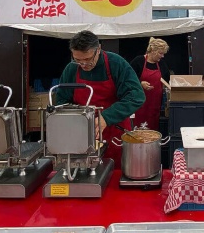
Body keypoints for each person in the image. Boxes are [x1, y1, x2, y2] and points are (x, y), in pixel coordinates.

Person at [56, 30, 145, 164]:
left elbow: (136, 96)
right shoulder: (71, 69)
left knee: (115, 172)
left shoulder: (116, 64)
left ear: (98, 50)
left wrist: (106, 117)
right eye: (78, 60)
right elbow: (61, 101)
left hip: (115, 132)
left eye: (87, 59)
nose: (83, 65)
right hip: (81, 133)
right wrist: (80, 115)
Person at [130, 37, 170, 131]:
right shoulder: (138, 61)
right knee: (138, 131)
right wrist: (140, 84)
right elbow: (128, 80)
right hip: (139, 105)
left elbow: (167, 81)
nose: (162, 56)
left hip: (154, 106)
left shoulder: (162, 64)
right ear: (153, 51)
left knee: (152, 131)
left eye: (163, 54)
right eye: (161, 53)